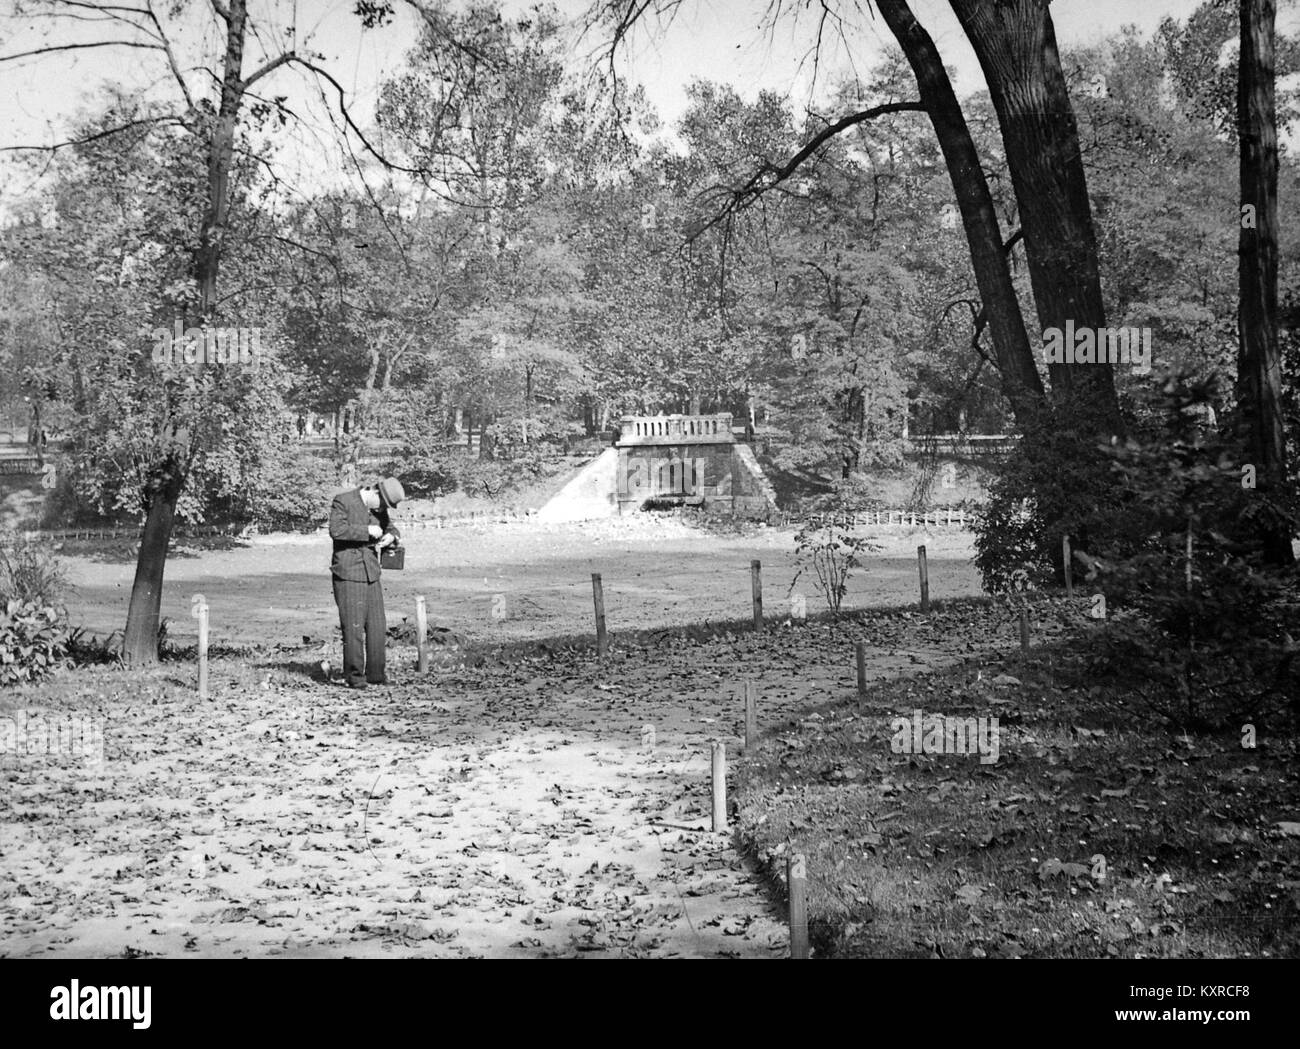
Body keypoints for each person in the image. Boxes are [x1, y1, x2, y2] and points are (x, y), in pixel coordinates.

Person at [329, 476, 404, 688]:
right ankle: (355, 678)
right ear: (374, 492)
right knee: (353, 628)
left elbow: (391, 527)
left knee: (377, 626)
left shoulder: (378, 507)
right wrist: (366, 531)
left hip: (371, 572)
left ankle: (376, 675)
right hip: (348, 572)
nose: (383, 509)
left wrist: (392, 536)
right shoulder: (343, 501)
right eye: (383, 504)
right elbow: (336, 531)